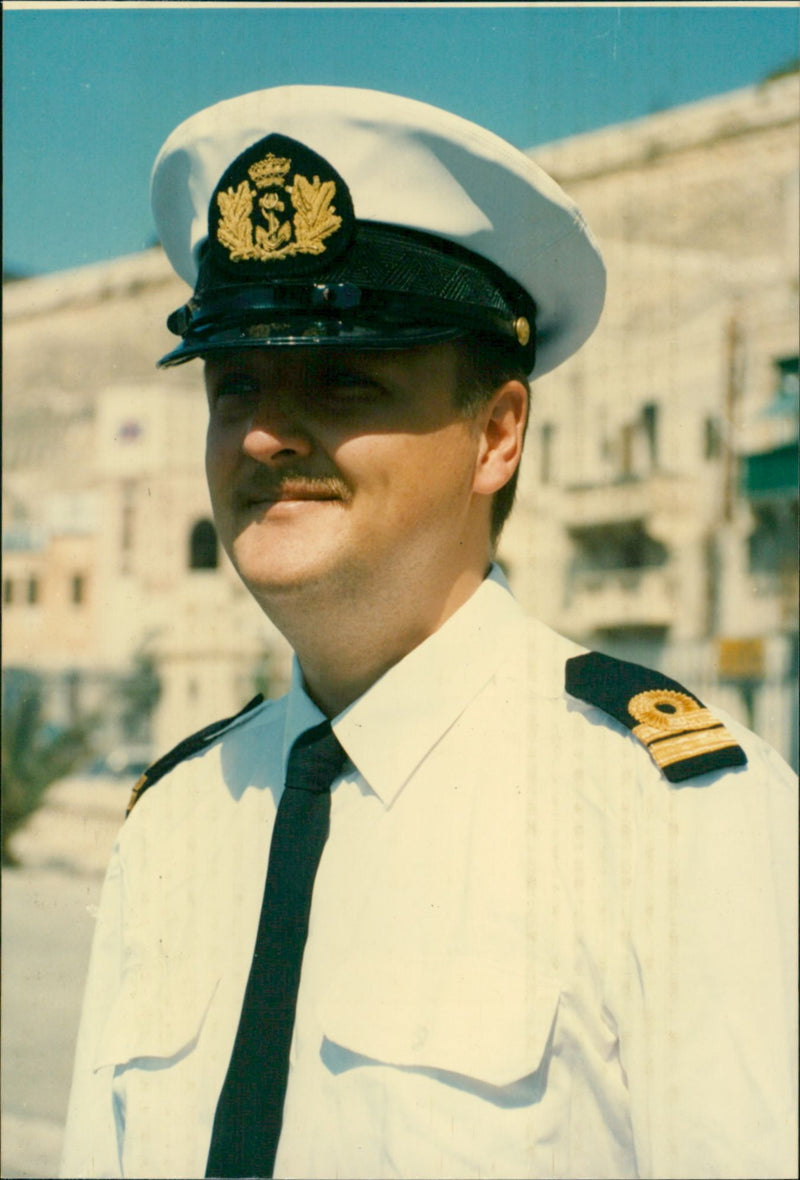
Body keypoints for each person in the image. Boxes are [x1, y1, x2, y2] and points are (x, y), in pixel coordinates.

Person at [60, 86, 797, 1180]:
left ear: (496, 434)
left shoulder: (676, 823)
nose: (262, 432)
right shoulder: (174, 824)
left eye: (341, 376)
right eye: (235, 384)